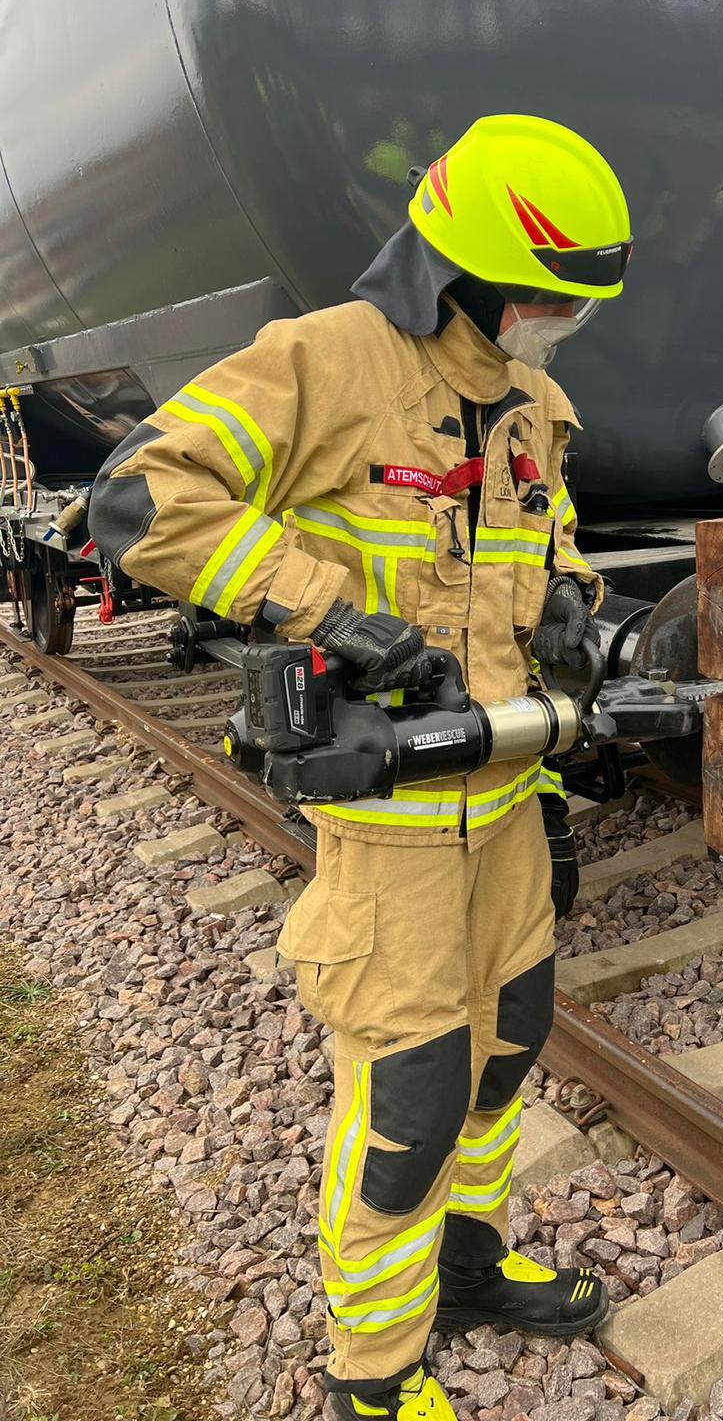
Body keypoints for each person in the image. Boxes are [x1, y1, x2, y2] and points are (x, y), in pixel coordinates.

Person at [88, 115, 632, 1421]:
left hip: (510, 793)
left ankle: (470, 1265)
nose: (562, 324)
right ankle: (376, 1373)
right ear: (464, 273)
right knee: (411, 1096)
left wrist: (571, 597)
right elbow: (141, 499)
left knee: (507, 1047)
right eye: (548, 297)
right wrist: (326, 607)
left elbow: (543, 532)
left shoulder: (534, 405)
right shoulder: (325, 363)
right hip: (394, 823)